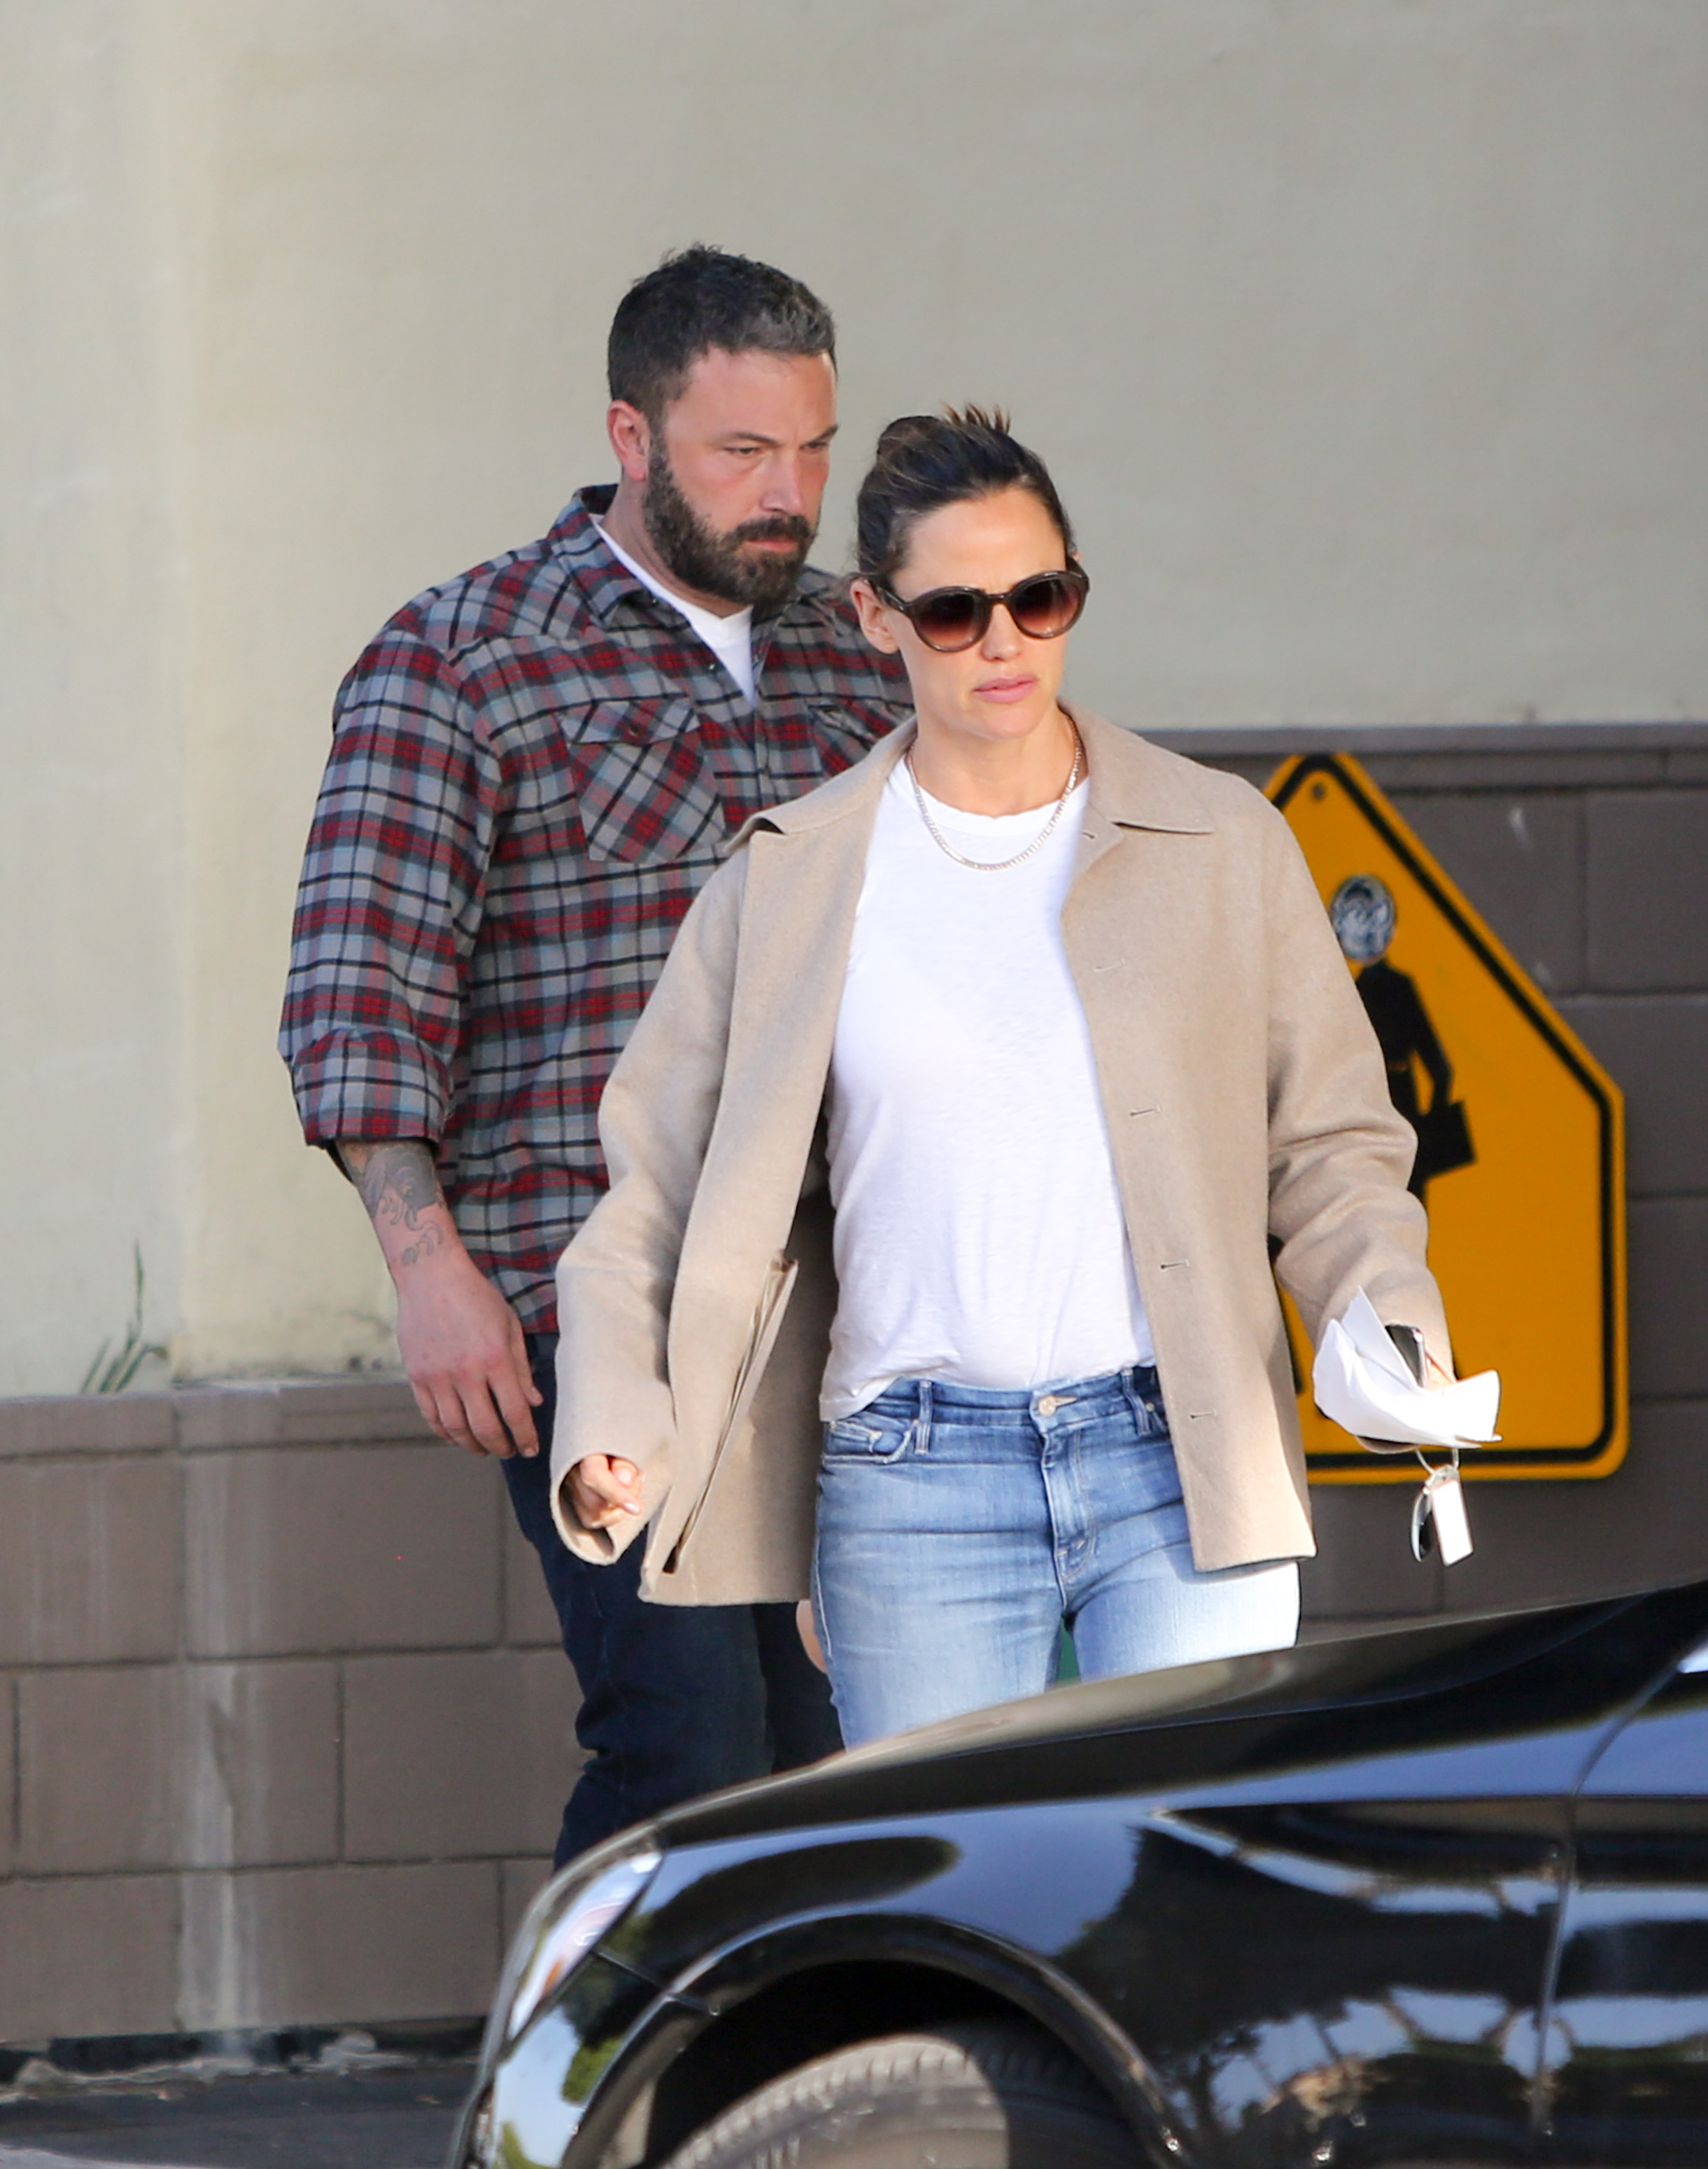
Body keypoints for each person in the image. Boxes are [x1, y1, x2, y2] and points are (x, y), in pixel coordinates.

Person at [548, 407, 1457, 1746]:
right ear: (873, 617)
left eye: (1040, 598)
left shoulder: (1216, 839)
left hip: (1178, 1451)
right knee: (958, 1913)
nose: (1005, 643)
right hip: (908, 1478)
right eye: (955, 611)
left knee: (1176, 1885)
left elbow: (1329, 1142)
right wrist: (615, 1415)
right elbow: (660, 1182)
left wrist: (1385, 1318)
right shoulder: (791, 879)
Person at [279, 248, 912, 1858]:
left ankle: (781, 2104)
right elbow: (361, 992)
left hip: (834, 1298)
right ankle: (565, 2101)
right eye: (741, 453)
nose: (791, 494)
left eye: (813, 450)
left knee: (836, 1748)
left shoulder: (859, 659)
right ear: (631, 438)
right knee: (686, 1736)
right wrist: (428, 1269)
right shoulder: (461, 656)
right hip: (593, 1301)